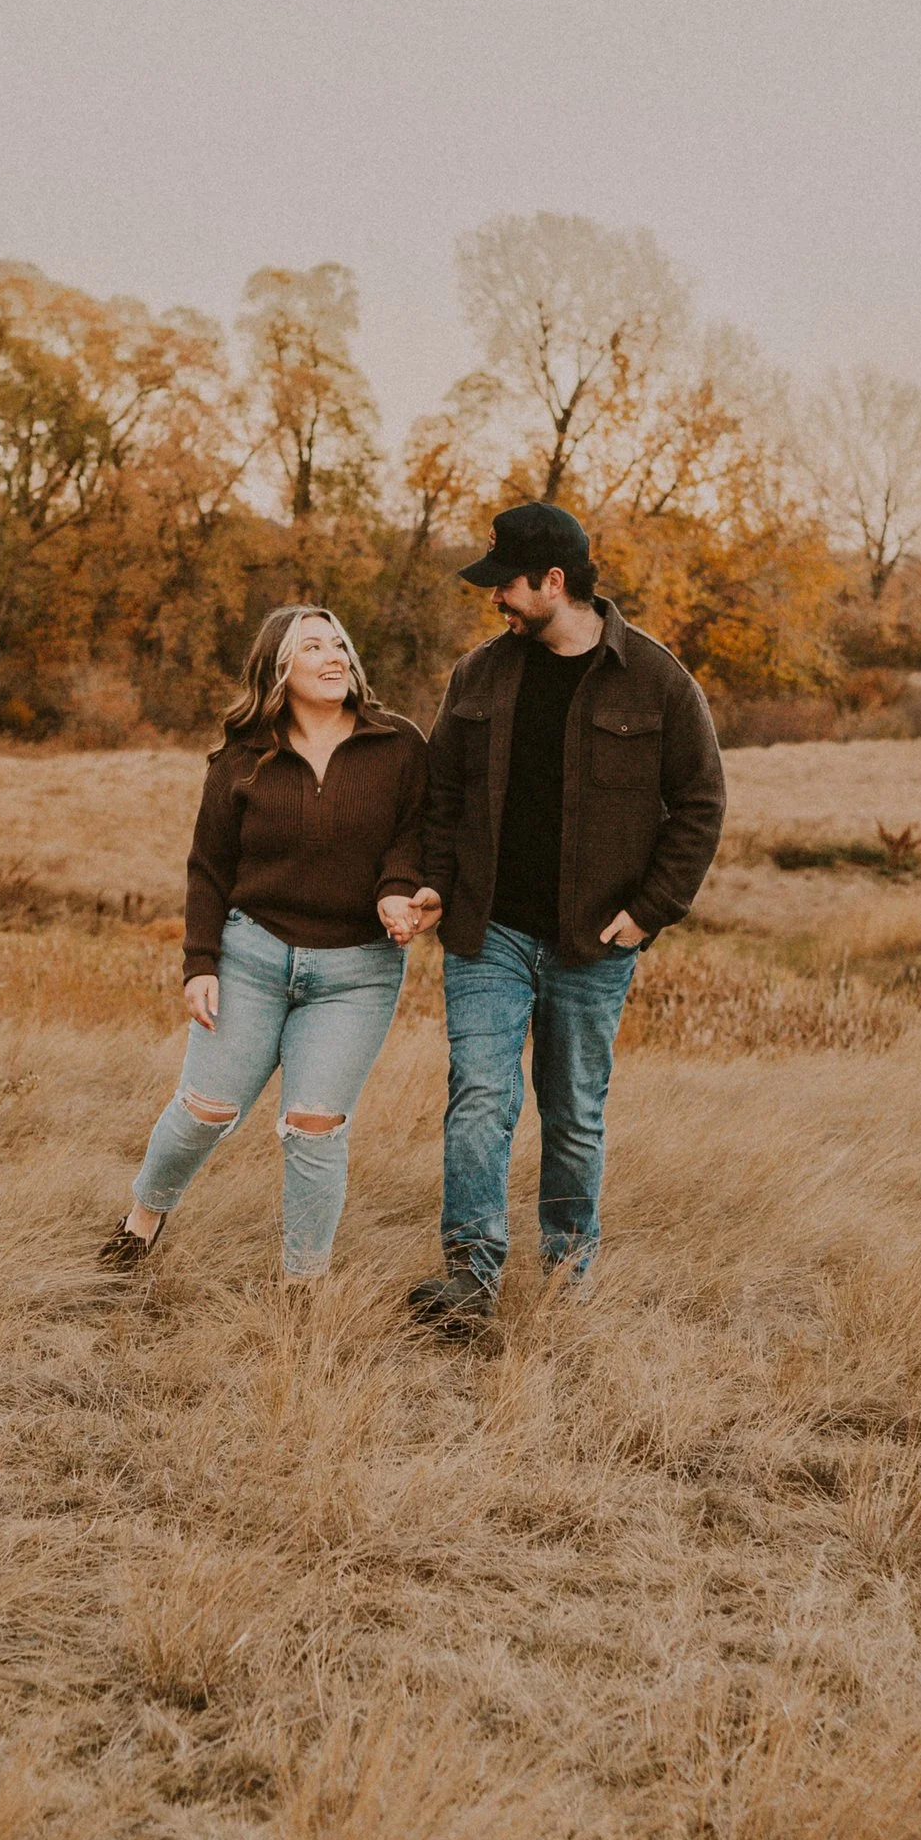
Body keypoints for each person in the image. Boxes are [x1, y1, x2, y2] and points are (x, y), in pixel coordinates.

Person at [398, 502, 725, 1334]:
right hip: (489, 931)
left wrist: (648, 911)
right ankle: (469, 1280)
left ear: (554, 581)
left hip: (593, 942)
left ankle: (565, 1280)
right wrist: (436, 881)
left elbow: (700, 804)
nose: (495, 600)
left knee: (573, 1109)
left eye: (505, 583)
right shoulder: (478, 674)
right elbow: (440, 793)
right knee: (479, 1095)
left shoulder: (656, 679)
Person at [100, 604, 428, 1282]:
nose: (335, 656)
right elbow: (209, 868)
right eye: (314, 646)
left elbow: (416, 832)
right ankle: (142, 1221)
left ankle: (301, 1286)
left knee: (315, 1125)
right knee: (204, 1110)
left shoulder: (396, 744)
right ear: (279, 666)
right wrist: (200, 962)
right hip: (252, 956)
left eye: (340, 643)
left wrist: (398, 887)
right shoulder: (241, 758)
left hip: (357, 970)